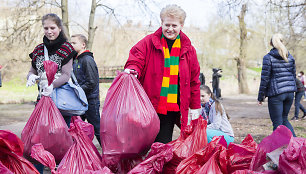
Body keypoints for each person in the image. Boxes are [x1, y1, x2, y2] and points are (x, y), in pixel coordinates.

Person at [124, 4, 201, 144]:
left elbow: (194, 81)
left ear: (181, 26)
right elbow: (136, 58)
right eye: (167, 25)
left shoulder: (189, 50)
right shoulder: (148, 42)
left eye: (174, 25)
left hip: (171, 106)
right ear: (161, 23)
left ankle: (157, 165)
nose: (170, 29)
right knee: (141, 143)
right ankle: (141, 165)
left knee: (162, 143)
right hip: (148, 104)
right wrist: (133, 69)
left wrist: (195, 106)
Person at [26, 13, 76, 173]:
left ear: (59, 28)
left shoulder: (67, 48)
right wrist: (31, 77)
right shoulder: (39, 49)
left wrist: (52, 85)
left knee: (62, 141)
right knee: (37, 140)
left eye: (52, 28)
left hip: (61, 102)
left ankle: (63, 169)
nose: (49, 31)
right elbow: (31, 70)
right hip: (42, 100)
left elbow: (67, 75)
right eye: (46, 28)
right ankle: (37, 170)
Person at [257, 33, 296, 137]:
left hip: (276, 94)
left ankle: (278, 151)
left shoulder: (268, 57)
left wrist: (261, 97)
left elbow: (265, 79)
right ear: (282, 42)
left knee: (277, 124)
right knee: (284, 120)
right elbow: (293, 75)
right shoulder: (290, 57)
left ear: (271, 43)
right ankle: (298, 146)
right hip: (290, 93)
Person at [70, 34, 101, 145]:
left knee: (98, 129)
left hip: (90, 101)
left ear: (83, 45)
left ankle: (108, 154)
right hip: (79, 101)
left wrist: (76, 91)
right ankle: (79, 155)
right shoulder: (75, 60)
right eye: (71, 43)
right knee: (76, 129)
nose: (71, 45)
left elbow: (91, 82)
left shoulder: (87, 60)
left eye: (74, 43)